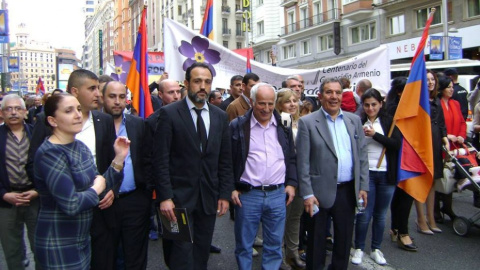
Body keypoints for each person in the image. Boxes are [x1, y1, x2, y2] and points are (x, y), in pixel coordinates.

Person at [26, 69, 118, 270]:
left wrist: (118, 161)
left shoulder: (80, 145)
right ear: (52, 121)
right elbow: (71, 202)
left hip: (84, 233)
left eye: (78, 110)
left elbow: (99, 177)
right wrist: (94, 188)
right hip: (60, 237)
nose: (77, 116)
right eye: (69, 111)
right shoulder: (50, 151)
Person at [153, 62, 234, 269]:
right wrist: (165, 197)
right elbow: (161, 159)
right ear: (187, 84)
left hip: (207, 198)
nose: (203, 86)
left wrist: (224, 194)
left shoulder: (220, 117)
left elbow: (225, 160)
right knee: (179, 255)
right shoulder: (169, 114)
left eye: (207, 82)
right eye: (197, 81)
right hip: (177, 201)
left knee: (201, 251)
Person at [296, 77, 369, 270]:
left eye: (338, 92)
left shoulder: (353, 120)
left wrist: (363, 187)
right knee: (316, 243)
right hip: (318, 194)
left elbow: (362, 156)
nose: (334, 96)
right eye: (329, 92)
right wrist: (308, 194)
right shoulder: (307, 122)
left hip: (347, 192)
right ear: (320, 96)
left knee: (344, 242)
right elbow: (302, 162)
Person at [230, 83, 297, 270]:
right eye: (261, 103)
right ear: (252, 102)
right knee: (244, 246)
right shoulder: (238, 126)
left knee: (274, 245)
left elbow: (291, 156)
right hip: (248, 195)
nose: (266, 109)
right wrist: (231, 188)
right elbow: (227, 160)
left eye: (270, 103)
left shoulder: (284, 124)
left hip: (277, 195)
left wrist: (291, 183)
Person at [103, 81, 151, 269]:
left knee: (135, 255)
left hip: (135, 199)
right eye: (112, 96)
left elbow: (147, 158)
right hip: (105, 202)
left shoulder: (138, 124)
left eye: (122, 97)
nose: (117, 101)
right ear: (103, 97)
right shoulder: (93, 125)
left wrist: (146, 194)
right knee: (109, 256)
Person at [351, 88, 401, 266]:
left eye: (374, 104)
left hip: (386, 174)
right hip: (367, 174)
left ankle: (376, 248)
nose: (370, 108)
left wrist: (375, 135)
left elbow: (396, 144)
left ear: (381, 104)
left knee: (380, 215)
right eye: (366, 105)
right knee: (364, 213)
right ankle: (358, 248)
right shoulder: (357, 121)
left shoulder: (390, 122)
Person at [0, 94, 39, 270]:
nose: (13, 112)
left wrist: (38, 190)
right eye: (8, 109)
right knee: (12, 249)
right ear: (2, 113)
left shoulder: (36, 134)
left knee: (39, 245)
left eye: (17, 108)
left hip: (34, 197)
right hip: (7, 200)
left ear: (25, 112)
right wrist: (4, 195)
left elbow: (45, 165)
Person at [414, 70, 449, 236]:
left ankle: (431, 218)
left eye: (432, 79)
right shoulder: (418, 101)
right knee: (421, 181)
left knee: (432, 180)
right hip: (421, 144)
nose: (430, 82)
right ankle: (421, 219)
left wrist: (445, 138)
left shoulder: (436, 100)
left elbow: (441, 123)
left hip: (434, 143)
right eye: (426, 79)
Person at [386, 77, 417, 251]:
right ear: (399, 92)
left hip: (411, 154)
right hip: (400, 156)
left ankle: (397, 229)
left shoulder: (415, 108)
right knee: (405, 192)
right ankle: (402, 232)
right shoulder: (393, 110)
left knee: (403, 194)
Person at [435, 75, 465, 223]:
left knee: (450, 177)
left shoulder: (455, 104)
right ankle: (435, 210)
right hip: (441, 145)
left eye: (453, 87)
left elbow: (462, 122)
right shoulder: (437, 104)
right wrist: (447, 135)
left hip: (454, 146)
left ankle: (447, 206)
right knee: (439, 177)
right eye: (449, 87)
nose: (452, 89)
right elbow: (438, 125)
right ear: (442, 89)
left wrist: (461, 136)